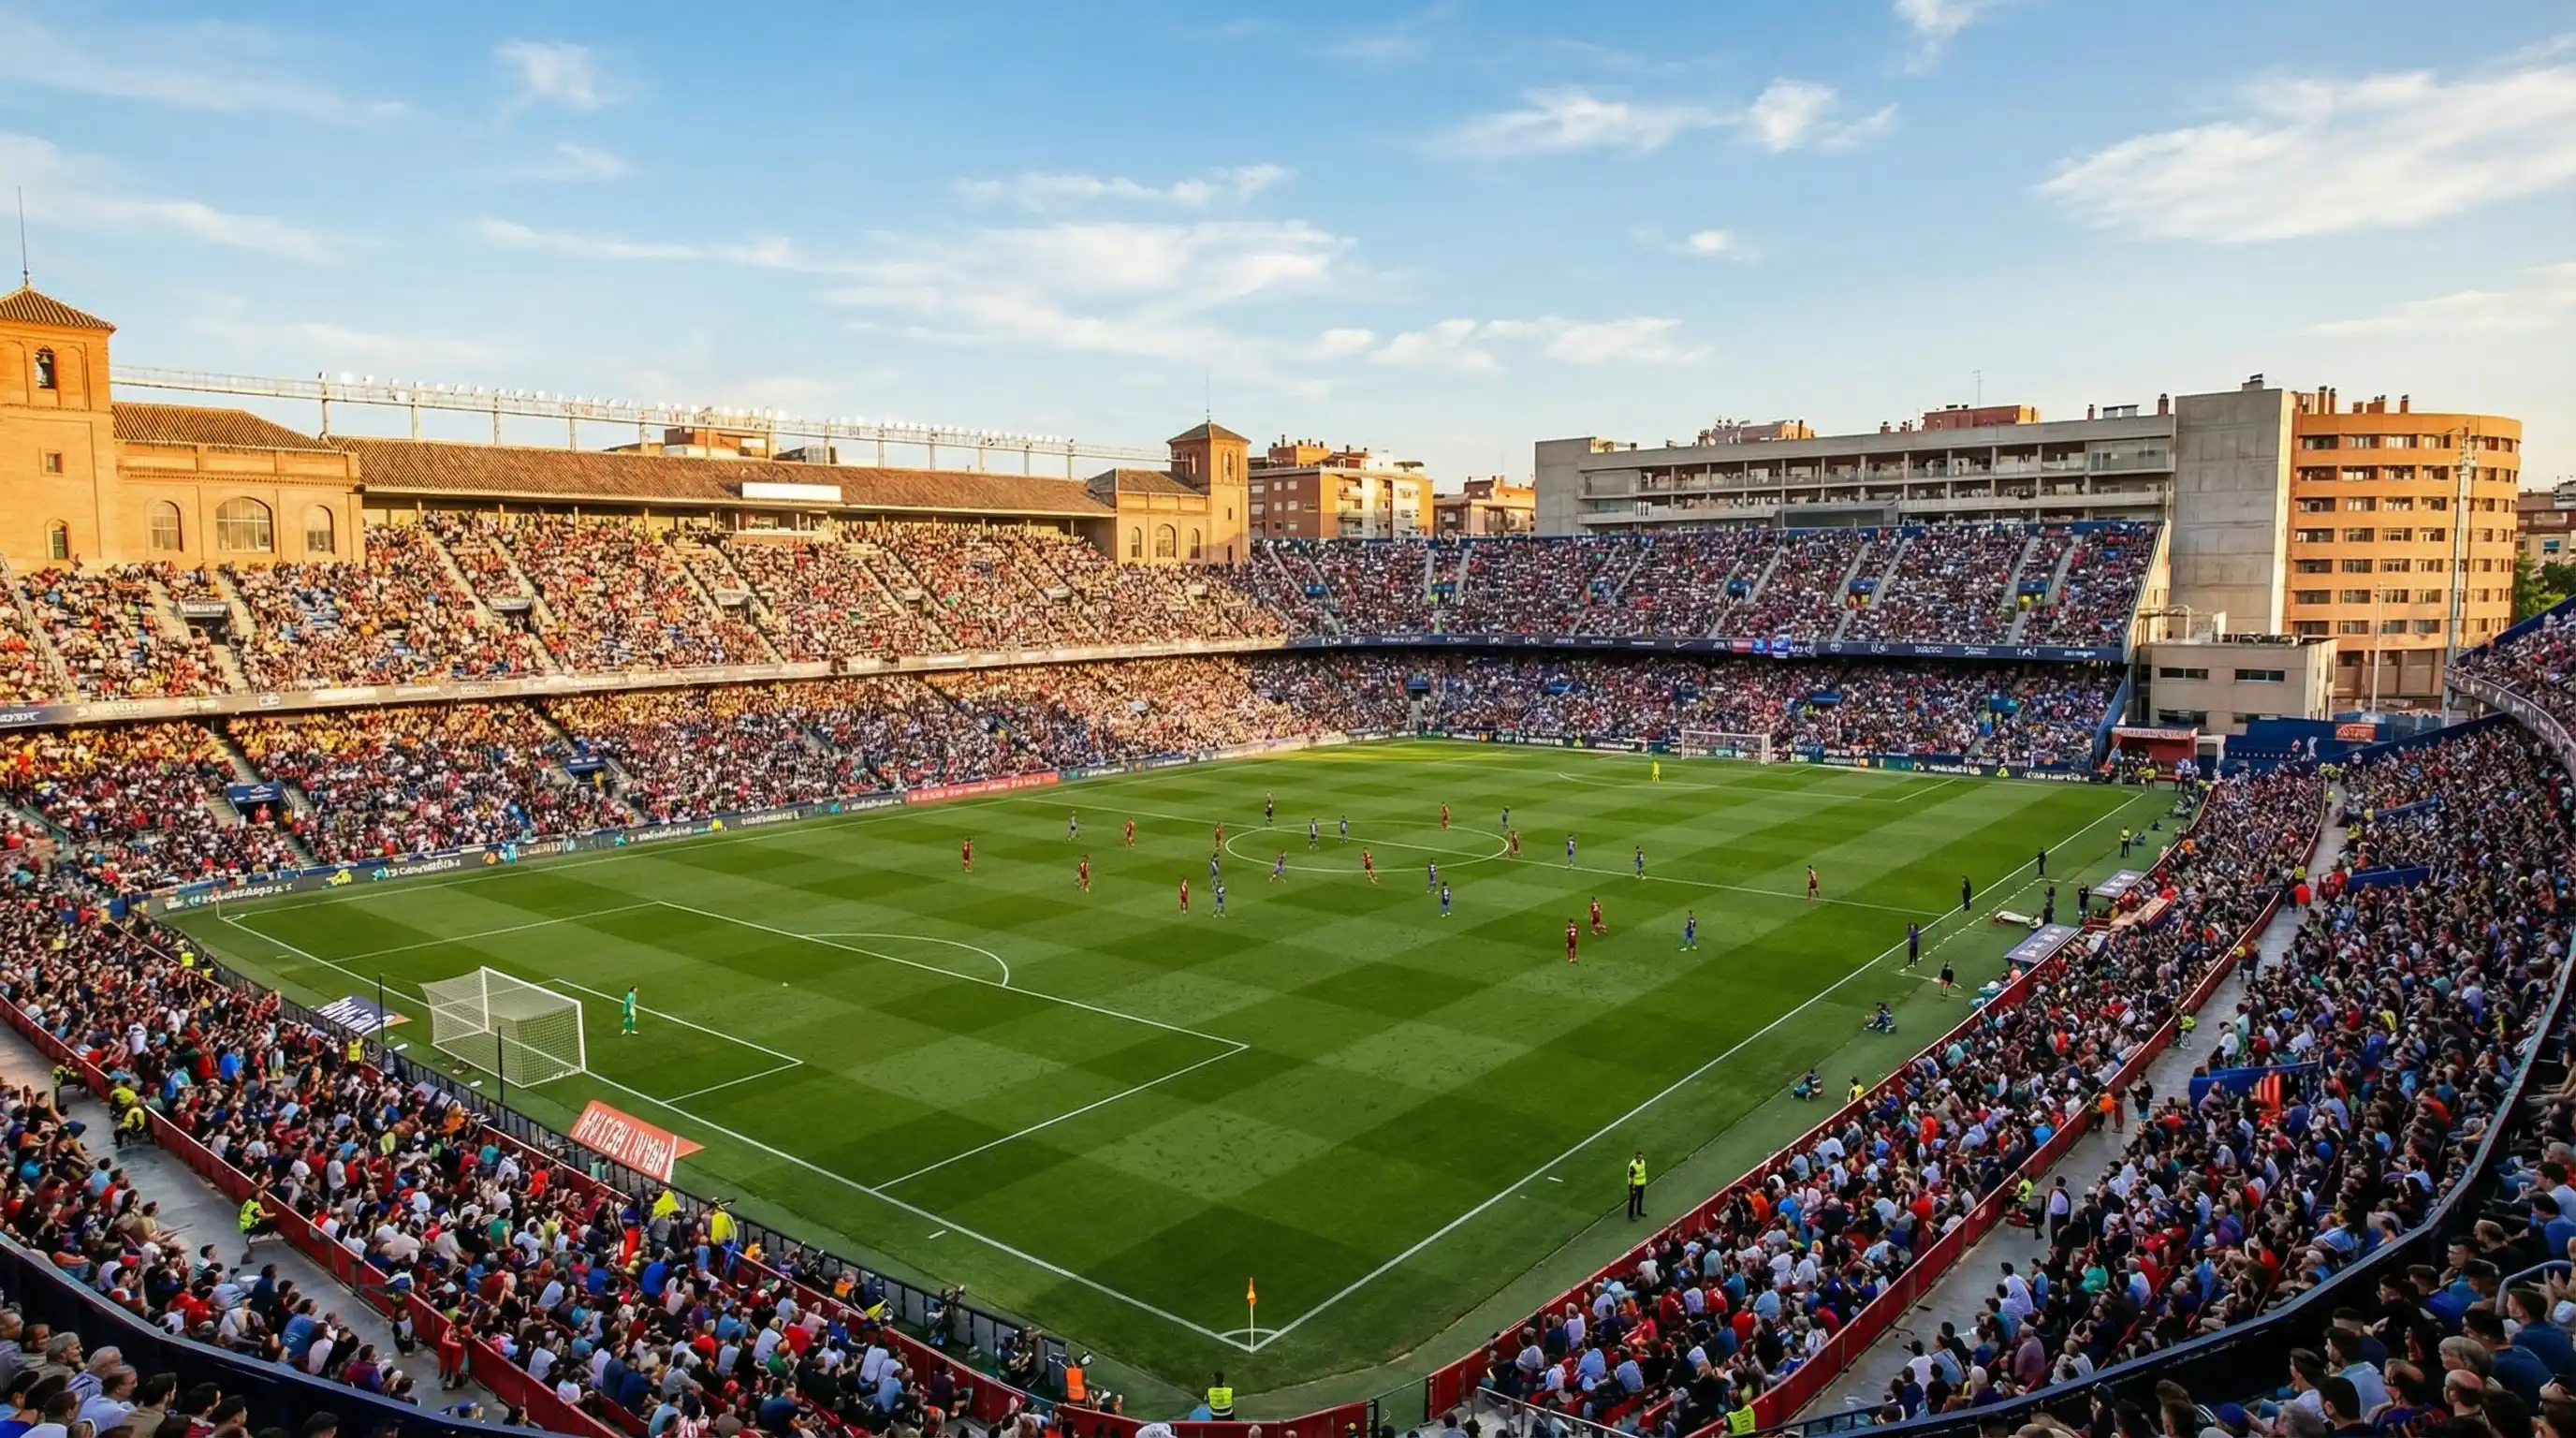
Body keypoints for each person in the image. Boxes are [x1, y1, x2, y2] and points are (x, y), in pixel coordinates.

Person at [1626, 1152, 1647, 1219]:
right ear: (1636, 1157)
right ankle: (1631, 1215)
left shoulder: (1643, 1162)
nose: (1640, 1159)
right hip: (1634, 1185)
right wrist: (1632, 1188)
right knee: (1633, 1199)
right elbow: (1631, 1177)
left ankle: (1639, 1211)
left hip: (1641, 1183)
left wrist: (1644, 1182)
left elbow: (1643, 1172)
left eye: (1641, 1157)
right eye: (1639, 1157)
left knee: (1640, 1198)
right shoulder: (1633, 1165)